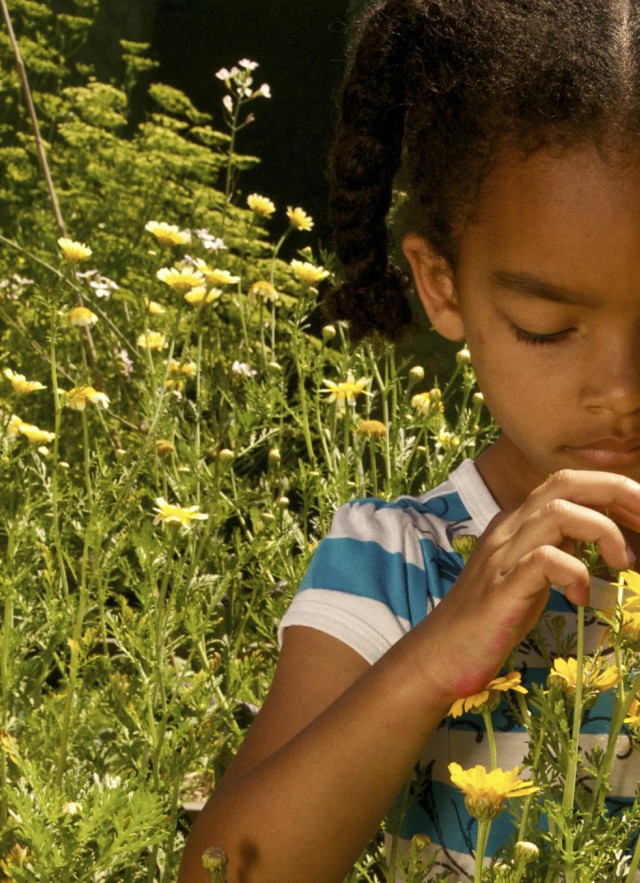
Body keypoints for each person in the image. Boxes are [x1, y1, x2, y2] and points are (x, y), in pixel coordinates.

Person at [179, 1, 640, 880]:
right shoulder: (396, 565)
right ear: (443, 285)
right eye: (547, 326)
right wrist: (435, 656)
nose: (621, 389)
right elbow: (225, 868)